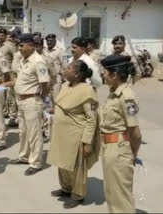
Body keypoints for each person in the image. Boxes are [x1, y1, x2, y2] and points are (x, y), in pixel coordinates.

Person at [47, 60, 99, 209]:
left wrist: (87, 142)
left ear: (76, 74)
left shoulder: (86, 90)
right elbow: (64, 105)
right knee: (62, 163)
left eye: (69, 68)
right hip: (61, 135)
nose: (65, 69)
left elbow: (91, 119)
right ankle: (65, 188)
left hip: (76, 136)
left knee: (76, 167)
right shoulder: (64, 86)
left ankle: (77, 195)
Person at [100, 55, 142, 213]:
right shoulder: (114, 93)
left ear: (114, 75)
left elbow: (135, 133)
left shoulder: (126, 96)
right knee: (112, 194)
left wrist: (131, 154)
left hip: (119, 149)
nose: (102, 75)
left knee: (121, 198)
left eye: (104, 72)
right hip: (109, 147)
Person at [9, 34, 50, 176]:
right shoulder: (23, 60)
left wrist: (41, 97)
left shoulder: (38, 61)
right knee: (23, 132)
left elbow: (45, 83)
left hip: (32, 101)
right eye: (19, 45)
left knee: (34, 133)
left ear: (31, 46)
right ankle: (24, 156)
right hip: (21, 101)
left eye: (22, 45)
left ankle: (36, 162)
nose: (19, 48)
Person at [0, 28, 17, 126]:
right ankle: (3, 113)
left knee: (10, 97)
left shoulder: (9, 46)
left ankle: (13, 116)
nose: (0, 36)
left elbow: (15, 58)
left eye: (2, 35)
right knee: (0, 95)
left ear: (5, 36)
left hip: (8, 75)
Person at [43, 34, 64, 100]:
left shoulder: (59, 51)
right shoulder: (44, 51)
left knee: (56, 97)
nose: (49, 42)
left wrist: (63, 77)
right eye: (47, 41)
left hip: (56, 77)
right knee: (47, 97)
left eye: (51, 40)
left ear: (55, 41)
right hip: (45, 77)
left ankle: (56, 110)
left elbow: (64, 64)